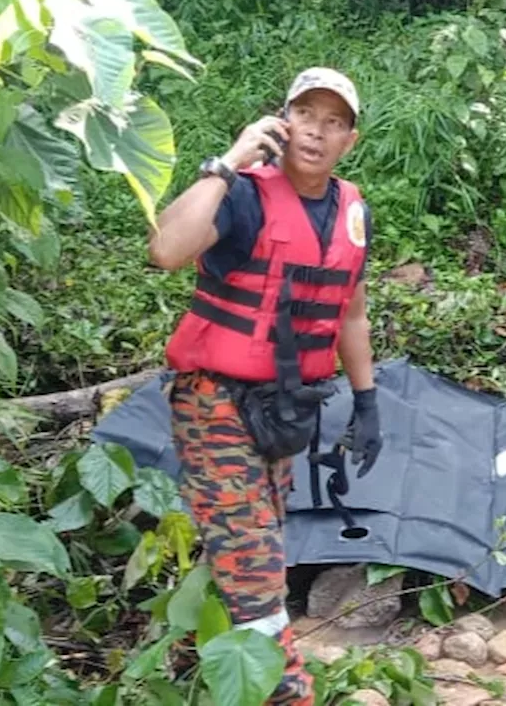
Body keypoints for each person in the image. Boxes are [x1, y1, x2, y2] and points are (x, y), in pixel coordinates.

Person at [148, 67, 383, 705]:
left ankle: (185, 670)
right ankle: (288, 695)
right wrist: (227, 162)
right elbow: (166, 250)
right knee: (255, 569)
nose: (317, 130)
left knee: (250, 544)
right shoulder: (245, 195)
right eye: (306, 113)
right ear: (283, 119)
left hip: (283, 411)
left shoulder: (351, 210)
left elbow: (351, 313)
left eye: (334, 121)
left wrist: (367, 402)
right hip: (214, 401)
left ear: (349, 139)